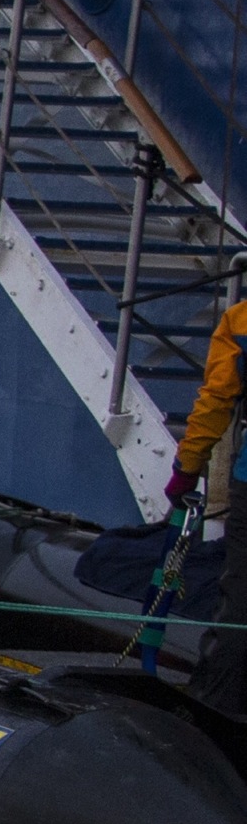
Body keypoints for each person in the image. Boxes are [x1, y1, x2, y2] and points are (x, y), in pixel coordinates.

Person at [165, 287, 247, 713]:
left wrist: (187, 468)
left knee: (240, 606)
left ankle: (216, 713)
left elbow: (216, 399)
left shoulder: (241, 320)